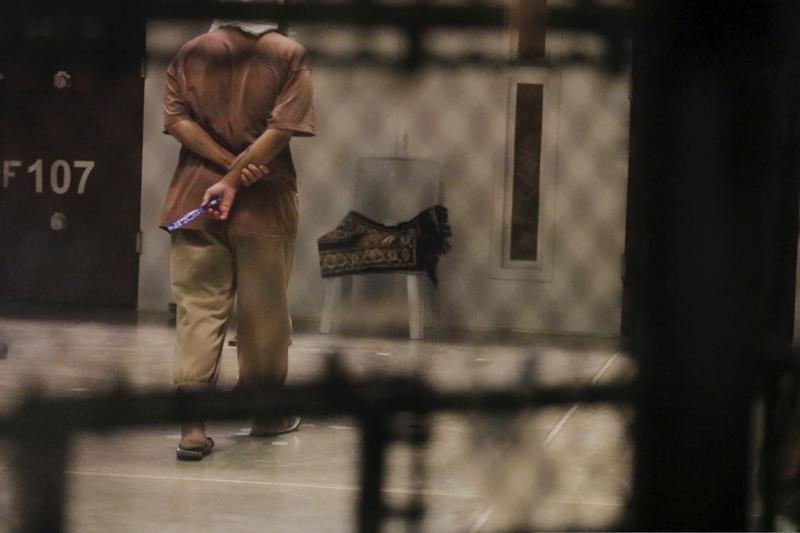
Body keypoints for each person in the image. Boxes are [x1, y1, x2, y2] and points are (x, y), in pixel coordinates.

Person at [160, 18, 315, 460]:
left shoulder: (191, 50)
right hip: (264, 201)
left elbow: (177, 122)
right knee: (264, 313)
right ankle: (264, 414)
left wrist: (223, 168)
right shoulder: (288, 54)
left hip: (195, 200)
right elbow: (282, 128)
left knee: (198, 309)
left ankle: (192, 427)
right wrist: (239, 172)